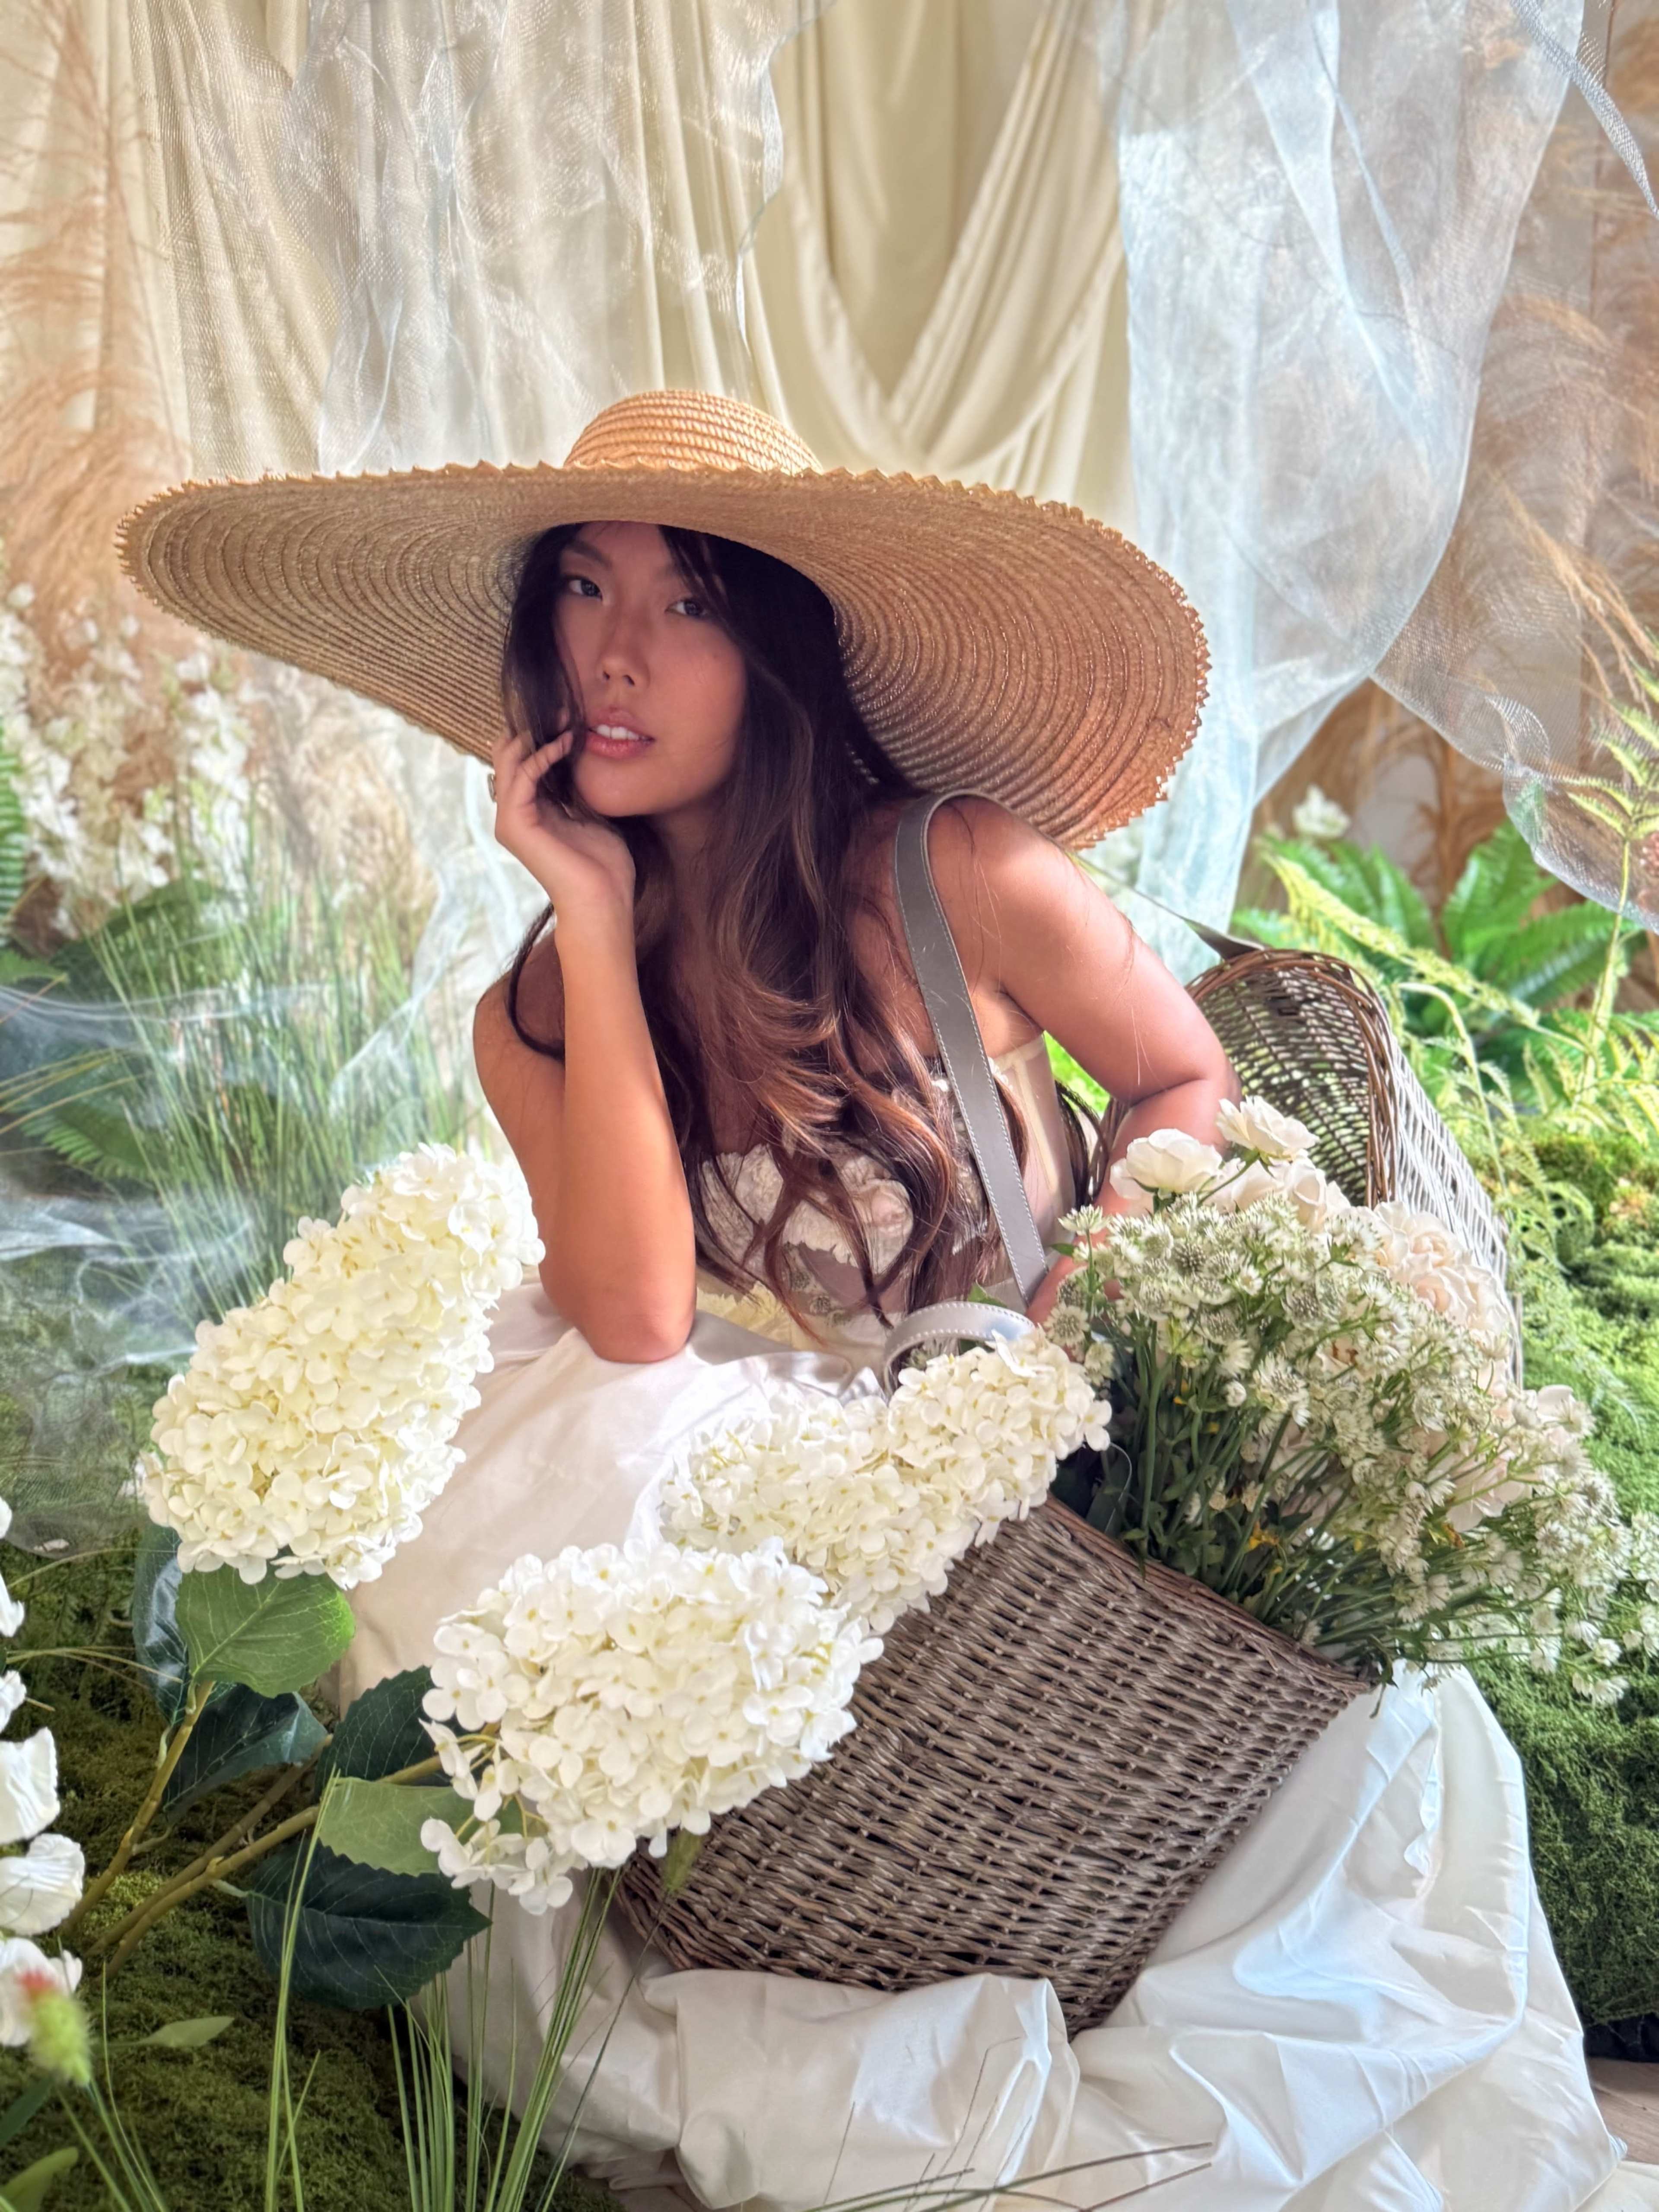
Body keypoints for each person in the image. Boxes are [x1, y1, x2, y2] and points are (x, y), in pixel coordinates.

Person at [118, 391, 1641, 2212]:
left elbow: (1180, 1073)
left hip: (1059, 1408)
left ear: (771, 653)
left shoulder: (951, 866)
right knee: (495, 1504)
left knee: (1358, 1767)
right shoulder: (538, 999)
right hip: (790, 1448)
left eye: (685, 602)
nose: (616, 650)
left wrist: (1095, 1296)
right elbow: (629, 1315)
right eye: (586, 591)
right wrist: (594, 933)